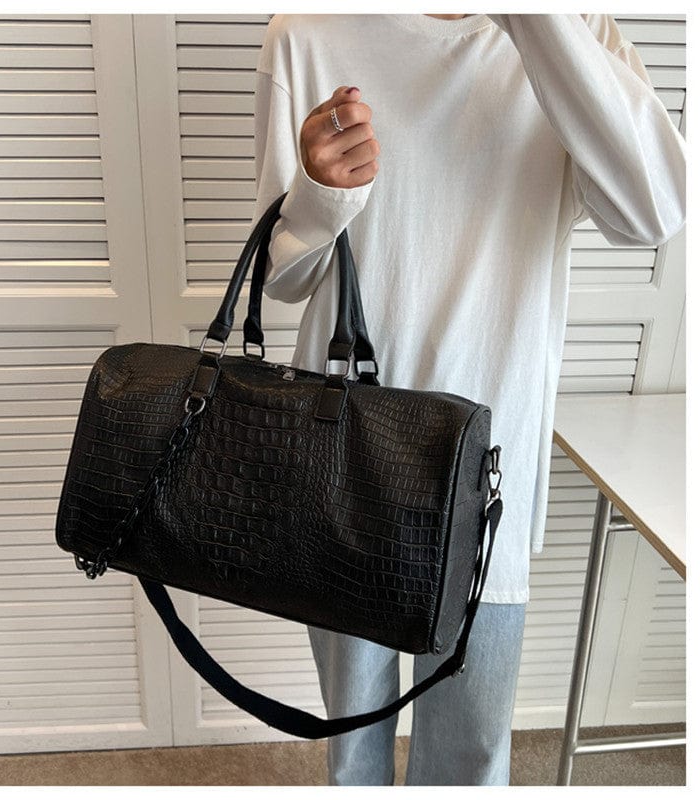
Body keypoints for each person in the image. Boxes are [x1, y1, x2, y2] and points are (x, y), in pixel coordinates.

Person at [251, 13, 686, 786]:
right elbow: (284, 280)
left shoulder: (575, 27)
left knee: (470, 756)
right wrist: (318, 195)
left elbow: (652, 213)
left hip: (490, 466)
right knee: (353, 744)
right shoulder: (309, 29)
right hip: (343, 451)